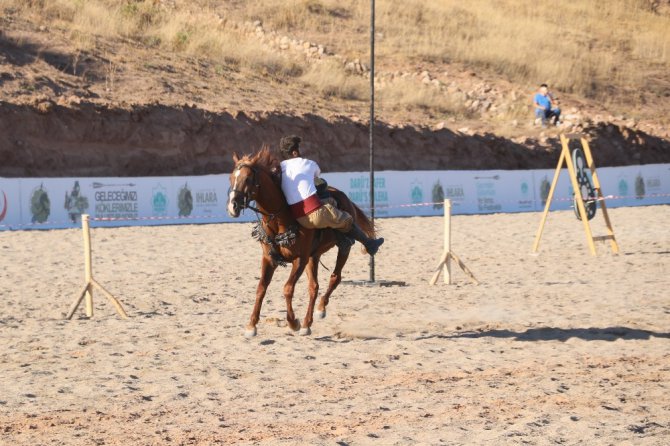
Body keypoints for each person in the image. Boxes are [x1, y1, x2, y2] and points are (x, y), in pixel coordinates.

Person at [278, 135, 384, 256]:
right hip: (314, 213)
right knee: (347, 219)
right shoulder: (308, 163)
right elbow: (317, 177)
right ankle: (369, 244)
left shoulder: (280, 167)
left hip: (296, 216)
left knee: (331, 204)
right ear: (295, 152)